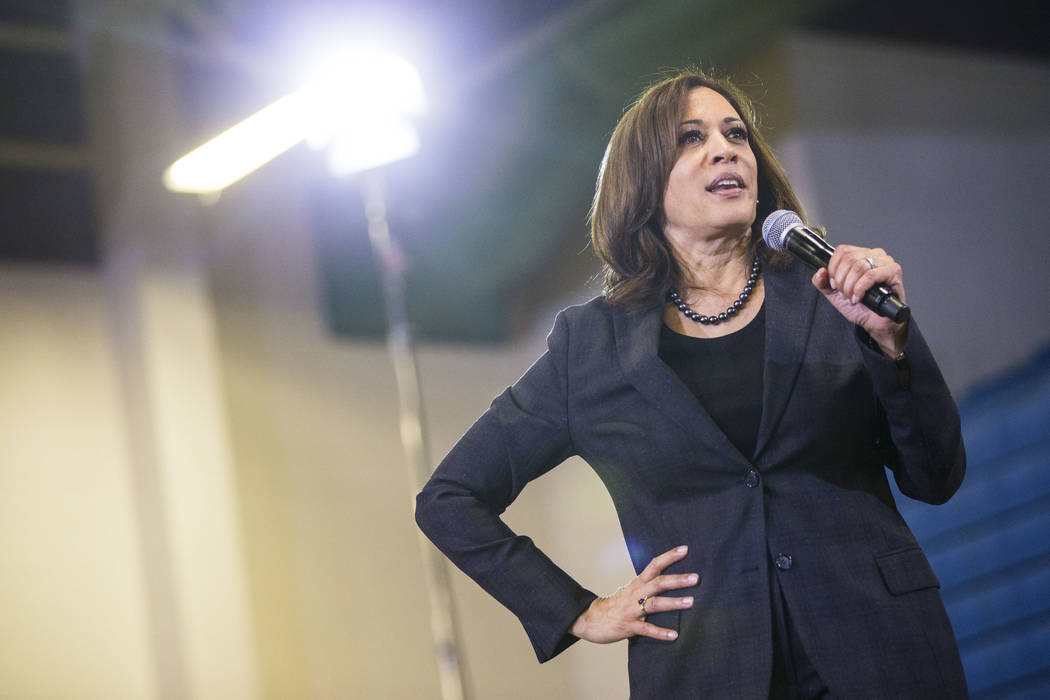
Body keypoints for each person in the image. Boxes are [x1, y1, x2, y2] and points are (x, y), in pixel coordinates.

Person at [415, 69, 967, 699]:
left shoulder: (831, 296)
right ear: (643, 187)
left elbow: (936, 477)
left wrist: (892, 347)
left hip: (880, 651)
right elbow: (450, 498)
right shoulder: (590, 348)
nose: (726, 148)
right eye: (690, 139)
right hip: (704, 671)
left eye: (736, 134)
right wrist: (579, 611)